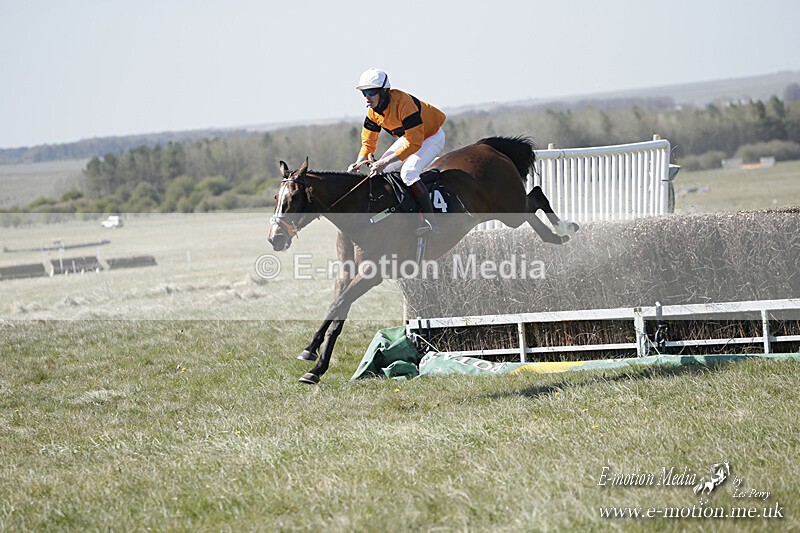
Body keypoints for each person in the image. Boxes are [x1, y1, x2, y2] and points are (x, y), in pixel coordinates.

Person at [347, 68, 446, 235]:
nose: (367, 97)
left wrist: (384, 161)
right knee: (379, 172)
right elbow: (368, 144)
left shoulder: (404, 104)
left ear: (384, 92)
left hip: (431, 136)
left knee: (408, 172)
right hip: (411, 137)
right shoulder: (373, 113)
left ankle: (431, 221)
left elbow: (415, 144)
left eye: (371, 92)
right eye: (364, 93)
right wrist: (358, 162)